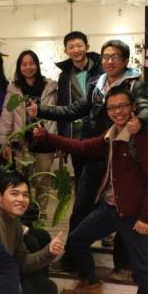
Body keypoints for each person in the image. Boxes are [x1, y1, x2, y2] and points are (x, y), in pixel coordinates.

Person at [32, 86, 148, 294]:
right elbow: (82, 147)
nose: (117, 111)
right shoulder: (111, 134)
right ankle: (91, 284)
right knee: (77, 240)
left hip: (133, 213)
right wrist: (49, 137)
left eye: (122, 106)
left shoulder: (144, 138)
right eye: (112, 107)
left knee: (141, 267)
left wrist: (147, 217)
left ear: (133, 107)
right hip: (110, 207)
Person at [35, 39, 148, 275]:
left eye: (115, 57)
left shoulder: (134, 84)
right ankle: (73, 259)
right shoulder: (96, 84)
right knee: (81, 207)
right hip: (98, 151)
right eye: (106, 57)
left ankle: (123, 264)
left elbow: (145, 107)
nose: (109, 61)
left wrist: (140, 121)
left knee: (124, 208)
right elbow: (73, 110)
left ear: (125, 60)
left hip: (123, 156)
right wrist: (41, 109)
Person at [0, 171, 64, 294]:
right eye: (14, 194)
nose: (21, 199)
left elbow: (22, 262)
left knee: (47, 288)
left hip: (5, 282)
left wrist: (48, 252)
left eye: (25, 195)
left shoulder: (14, 221)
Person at [0, 49, 58, 192]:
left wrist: (59, 141)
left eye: (31, 63)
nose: (28, 67)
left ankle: (40, 207)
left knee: (43, 182)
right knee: (22, 182)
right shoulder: (14, 89)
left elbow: (57, 115)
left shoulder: (50, 87)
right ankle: (25, 207)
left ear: (37, 65)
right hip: (22, 143)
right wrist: (4, 142)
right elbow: (6, 116)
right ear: (19, 67)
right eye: (24, 64)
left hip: (45, 141)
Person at [54, 31, 103, 187]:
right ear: (66, 51)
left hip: (98, 133)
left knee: (101, 178)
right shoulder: (65, 76)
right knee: (80, 177)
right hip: (76, 135)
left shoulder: (101, 71)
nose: (76, 50)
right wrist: (62, 138)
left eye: (79, 45)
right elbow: (62, 107)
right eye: (71, 47)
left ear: (87, 47)